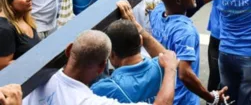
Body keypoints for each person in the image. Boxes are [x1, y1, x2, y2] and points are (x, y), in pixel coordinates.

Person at [150, 0, 227, 105]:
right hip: (182, 99)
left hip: (162, 91)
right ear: (178, 0)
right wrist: (211, 97)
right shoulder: (185, 31)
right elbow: (184, 73)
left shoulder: (157, 12)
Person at [24, 30, 178, 105]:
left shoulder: (34, 78)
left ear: (69, 50)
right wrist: (170, 68)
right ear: (102, 66)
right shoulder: (88, 101)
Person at [91, 0, 176, 103]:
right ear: (140, 41)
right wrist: (138, 27)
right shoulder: (164, 69)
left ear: (111, 54)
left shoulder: (104, 89)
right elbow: (168, 56)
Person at [0, 0, 40, 70]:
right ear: (9, 3)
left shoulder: (25, 18)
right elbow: (3, 66)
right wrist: (37, 61)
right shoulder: (4, 29)